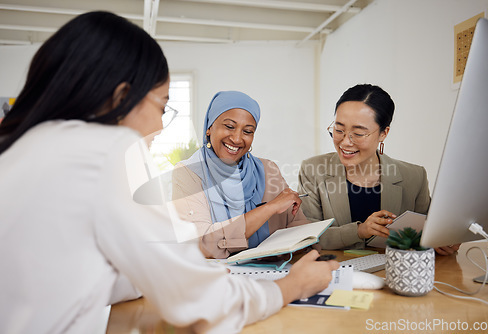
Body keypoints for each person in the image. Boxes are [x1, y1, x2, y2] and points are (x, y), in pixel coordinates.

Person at [0, 11, 339, 334]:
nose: (161, 125)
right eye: (162, 106)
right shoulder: (111, 150)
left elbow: (81, 271)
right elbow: (193, 294)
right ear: (122, 97)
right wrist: (289, 287)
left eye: (247, 130)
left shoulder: (26, 148)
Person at [297, 84, 459, 256]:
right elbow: (307, 236)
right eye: (339, 130)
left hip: (396, 273)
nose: (345, 142)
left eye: (358, 134)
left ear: (383, 133)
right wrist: (359, 231)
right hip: (333, 273)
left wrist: (441, 240)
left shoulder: (414, 177)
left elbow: (428, 233)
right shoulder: (313, 170)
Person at [172, 91, 311, 259]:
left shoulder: (268, 170)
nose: (237, 139)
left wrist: (300, 244)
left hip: (275, 273)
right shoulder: (188, 173)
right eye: (229, 126)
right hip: (219, 278)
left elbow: (299, 228)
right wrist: (269, 208)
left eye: (247, 131)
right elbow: (201, 245)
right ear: (209, 128)